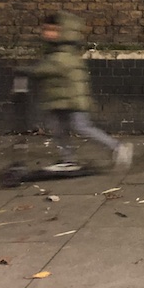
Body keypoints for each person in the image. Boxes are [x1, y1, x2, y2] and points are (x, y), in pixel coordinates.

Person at [25, 11, 133, 171]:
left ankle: (117, 147)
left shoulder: (64, 52)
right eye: (46, 29)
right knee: (58, 129)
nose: (47, 33)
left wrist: (29, 71)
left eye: (52, 29)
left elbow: (53, 67)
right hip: (59, 99)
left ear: (62, 31)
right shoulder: (57, 50)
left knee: (81, 126)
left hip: (72, 99)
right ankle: (67, 159)